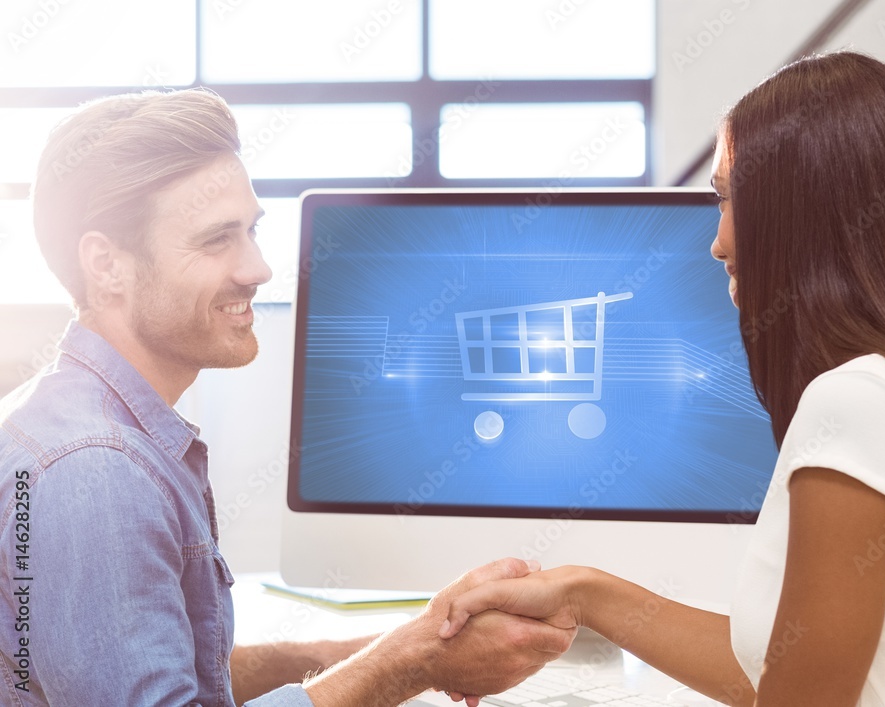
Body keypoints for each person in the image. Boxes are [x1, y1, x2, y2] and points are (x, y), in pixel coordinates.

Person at [437, 51, 885, 705]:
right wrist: (580, 591)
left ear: (804, 210)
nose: (717, 240)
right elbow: (798, 669)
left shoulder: (859, 402)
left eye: (728, 198)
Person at [0, 89, 574, 706]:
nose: (258, 268)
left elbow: (168, 669)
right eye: (217, 239)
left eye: (251, 231)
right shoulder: (96, 471)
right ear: (106, 265)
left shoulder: (73, 422)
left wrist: (379, 649)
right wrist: (412, 663)